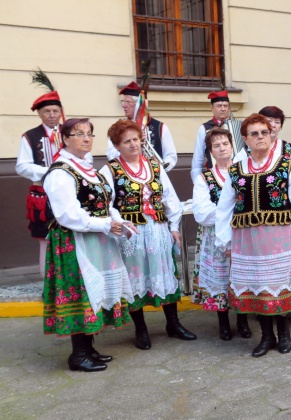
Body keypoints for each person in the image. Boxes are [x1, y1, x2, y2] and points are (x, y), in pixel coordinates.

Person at [213, 114, 291, 357]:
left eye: (264, 132)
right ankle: (266, 337)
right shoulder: (237, 170)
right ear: (245, 139)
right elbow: (224, 209)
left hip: (278, 238)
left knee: (277, 287)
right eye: (254, 133)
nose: (261, 137)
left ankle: (284, 335)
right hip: (246, 241)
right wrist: (225, 241)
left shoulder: (285, 165)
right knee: (257, 287)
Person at [42, 118, 135, 372]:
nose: (86, 138)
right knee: (82, 292)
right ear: (65, 139)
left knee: (95, 292)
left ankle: (88, 348)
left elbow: (107, 204)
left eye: (89, 134)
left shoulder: (89, 169)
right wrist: (106, 225)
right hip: (74, 242)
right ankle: (78, 354)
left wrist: (119, 222)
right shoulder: (61, 172)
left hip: (95, 240)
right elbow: (68, 215)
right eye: (79, 134)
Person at [101, 119, 196, 350]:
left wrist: (173, 227)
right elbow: (107, 203)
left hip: (157, 229)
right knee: (135, 278)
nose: (133, 145)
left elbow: (169, 198)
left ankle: (173, 324)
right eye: (127, 141)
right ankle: (141, 330)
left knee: (165, 273)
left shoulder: (154, 166)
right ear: (117, 145)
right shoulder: (109, 169)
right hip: (131, 234)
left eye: (136, 139)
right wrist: (121, 223)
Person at [16, 90, 93, 274]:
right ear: (39, 113)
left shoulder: (72, 132)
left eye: (55, 111)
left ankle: (75, 282)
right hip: (43, 196)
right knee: (46, 240)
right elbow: (22, 166)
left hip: (73, 192)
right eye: (47, 111)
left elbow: (87, 159)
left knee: (75, 235)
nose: (52, 115)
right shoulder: (30, 136)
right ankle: (48, 286)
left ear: (61, 111)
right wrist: (52, 171)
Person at [191, 127, 251, 340]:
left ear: (232, 147)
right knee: (220, 279)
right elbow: (201, 213)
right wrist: (230, 211)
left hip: (243, 234)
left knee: (241, 277)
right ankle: (223, 323)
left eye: (225, 144)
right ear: (210, 152)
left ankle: (243, 321)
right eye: (216, 146)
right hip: (214, 237)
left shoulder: (243, 171)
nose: (222, 148)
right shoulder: (204, 178)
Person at [106, 81, 177, 171]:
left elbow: (171, 156)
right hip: (128, 174)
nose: (124, 105)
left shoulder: (160, 128)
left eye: (128, 102)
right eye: (123, 102)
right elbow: (110, 154)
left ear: (138, 105)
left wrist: (160, 168)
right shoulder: (119, 128)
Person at [190, 89, 245, 181]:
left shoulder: (239, 125)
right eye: (219, 106)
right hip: (215, 176)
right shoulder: (205, 128)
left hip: (240, 174)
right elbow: (198, 158)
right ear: (212, 107)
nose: (223, 109)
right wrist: (197, 182)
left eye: (225, 106)